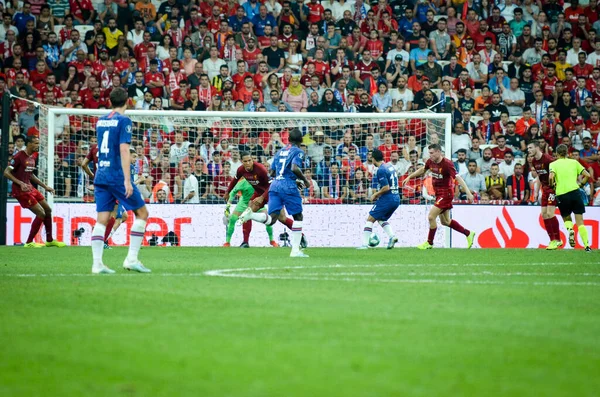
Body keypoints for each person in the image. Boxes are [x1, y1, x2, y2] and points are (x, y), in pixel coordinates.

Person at [90, 87, 151, 274]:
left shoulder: (101, 121)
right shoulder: (124, 120)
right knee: (142, 214)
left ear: (110, 101)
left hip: (101, 174)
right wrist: (127, 180)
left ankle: (97, 264)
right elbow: (124, 150)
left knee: (102, 219)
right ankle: (131, 259)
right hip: (116, 175)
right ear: (128, 101)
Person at [239, 129, 310, 257]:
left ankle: (251, 215)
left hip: (275, 185)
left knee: (272, 219)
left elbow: (271, 173)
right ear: (301, 140)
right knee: (298, 217)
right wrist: (304, 180)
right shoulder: (299, 151)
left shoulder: (279, 152)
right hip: (288, 186)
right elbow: (294, 168)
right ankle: (295, 251)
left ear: (288, 139)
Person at [226, 152, 306, 249]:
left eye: (249, 160)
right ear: (241, 162)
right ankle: (245, 242)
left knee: (282, 218)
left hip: (273, 192)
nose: (248, 163)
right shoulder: (241, 170)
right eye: (245, 161)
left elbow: (272, 183)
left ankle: (301, 236)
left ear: (252, 160)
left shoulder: (260, 170)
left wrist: (262, 197)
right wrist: (227, 192)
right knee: (248, 212)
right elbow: (234, 181)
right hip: (259, 192)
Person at [403, 144, 476, 249]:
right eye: (429, 153)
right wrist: (410, 176)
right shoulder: (430, 161)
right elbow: (423, 169)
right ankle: (468, 233)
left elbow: (458, 178)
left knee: (431, 217)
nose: (430, 155)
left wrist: (468, 192)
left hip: (446, 194)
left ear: (438, 152)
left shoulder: (447, 164)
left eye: (432, 153)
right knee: (445, 221)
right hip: (438, 193)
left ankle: (429, 243)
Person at [3, 136, 66, 249]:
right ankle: (29, 242)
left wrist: (45, 186)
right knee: (41, 213)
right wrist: (20, 183)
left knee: (48, 209)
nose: (38, 145)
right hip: (20, 190)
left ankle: (50, 240)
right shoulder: (18, 156)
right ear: (29, 144)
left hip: (30, 187)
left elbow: (30, 174)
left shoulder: (32, 157)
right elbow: (6, 172)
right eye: (36, 143)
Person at [81, 143, 128, 249]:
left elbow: (83, 164)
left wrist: (94, 177)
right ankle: (101, 242)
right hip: (111, 184)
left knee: (120, 215)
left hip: (99, 185)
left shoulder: (95, 147)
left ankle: (100, 239)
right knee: (112, 215)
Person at [549, 144, 592, 251]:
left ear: (557, 154)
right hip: (575, 192)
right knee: (580, 221)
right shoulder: (574, 162)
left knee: (566, 217)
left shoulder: (553, 164)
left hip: (562, 194)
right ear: (568, 153)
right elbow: (588, 175)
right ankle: (587, 246)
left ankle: (570, 230)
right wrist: (581, 185)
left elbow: (551, 177)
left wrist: (552, 184)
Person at [357, 149, 400, 250]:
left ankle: (364, 245)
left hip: (388, 198)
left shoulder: (381, 170)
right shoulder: (389, 166)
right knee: (381, 218)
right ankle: (392, 237)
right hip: (396, 198)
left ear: (373, 158)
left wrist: (375, 194)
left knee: (370, 219)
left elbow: (386, 187)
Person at [223, 177, 278, 248]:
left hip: (256, 202)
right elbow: (233, 192)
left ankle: (272, 241)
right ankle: (227, 242)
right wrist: (228, 206)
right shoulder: (242, 183)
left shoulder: (259, 181)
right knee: (233, 219)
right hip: (243, 204)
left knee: (267, 219)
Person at [528, 140, 562, 250]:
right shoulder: (534, 161)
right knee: (544, 214)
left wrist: (557, 188)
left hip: (553, 189)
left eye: (530, 148)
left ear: (537, 148)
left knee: (550, 213)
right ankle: (552, 240)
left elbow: (557, 173)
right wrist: (536, 191)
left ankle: (557, 239)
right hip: (544, 189)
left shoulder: (548, 159)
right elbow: (539, 176)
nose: (528, 150)